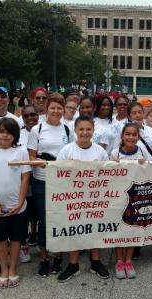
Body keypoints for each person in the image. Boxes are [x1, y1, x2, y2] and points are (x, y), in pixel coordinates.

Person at [56, 116, 110, 282]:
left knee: (95, 229)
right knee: (75, 229)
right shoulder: (67, 150)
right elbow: (57, 173)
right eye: (81, 129)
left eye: (88, 129)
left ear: (93, 131)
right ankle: (73, 264)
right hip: (73, 198)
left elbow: (109, 174)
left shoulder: (100, 152)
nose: (85, 132)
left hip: (95, 198)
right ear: (75, 130)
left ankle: (96, 261)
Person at [27, 93, 75, 277]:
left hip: (62, 182)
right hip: (42, 181)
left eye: (59, 108)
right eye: (52, 107)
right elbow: (31, 157)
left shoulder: (68, 130)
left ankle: (58, 257)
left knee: (60, 219)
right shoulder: (37, 130)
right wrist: (38, 162)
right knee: (44, 221)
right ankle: (45, 258)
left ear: (64, 110)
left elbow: (72, 155)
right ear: (47, 108)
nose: (56, 111)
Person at [111, 122, 151, 279]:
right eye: (127, 134)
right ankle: (119, 261)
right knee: (120, 229)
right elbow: (111, 176)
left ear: (138, 137)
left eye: (134, 134)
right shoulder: (115, 153)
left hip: (137, 197)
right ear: (122, 136)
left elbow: (151, 170)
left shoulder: (142, 151)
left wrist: (144, 166)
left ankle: (128, 260)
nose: (131, 137)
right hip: (119, 197)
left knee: (133, 228)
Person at [0, 118, 31, 288]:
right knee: (0, 239)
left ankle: (13, 269)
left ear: (15, 135)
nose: (5, 135)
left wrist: (20, 201)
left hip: (18, 206)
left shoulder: (21, 152)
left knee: (16, 238)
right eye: (2, 131)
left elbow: (25, 178)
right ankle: (3, 269)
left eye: (9, 132)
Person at [19, 105, 39, 263]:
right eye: (26, 116)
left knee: (37, 211)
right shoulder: (18, 133)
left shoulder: (42, 130)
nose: (30, 118)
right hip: (23, 179)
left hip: (40, 177)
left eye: (33, 114)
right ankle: (23, 244)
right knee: (23, 213)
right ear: (22, 117)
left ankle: (37, 236)